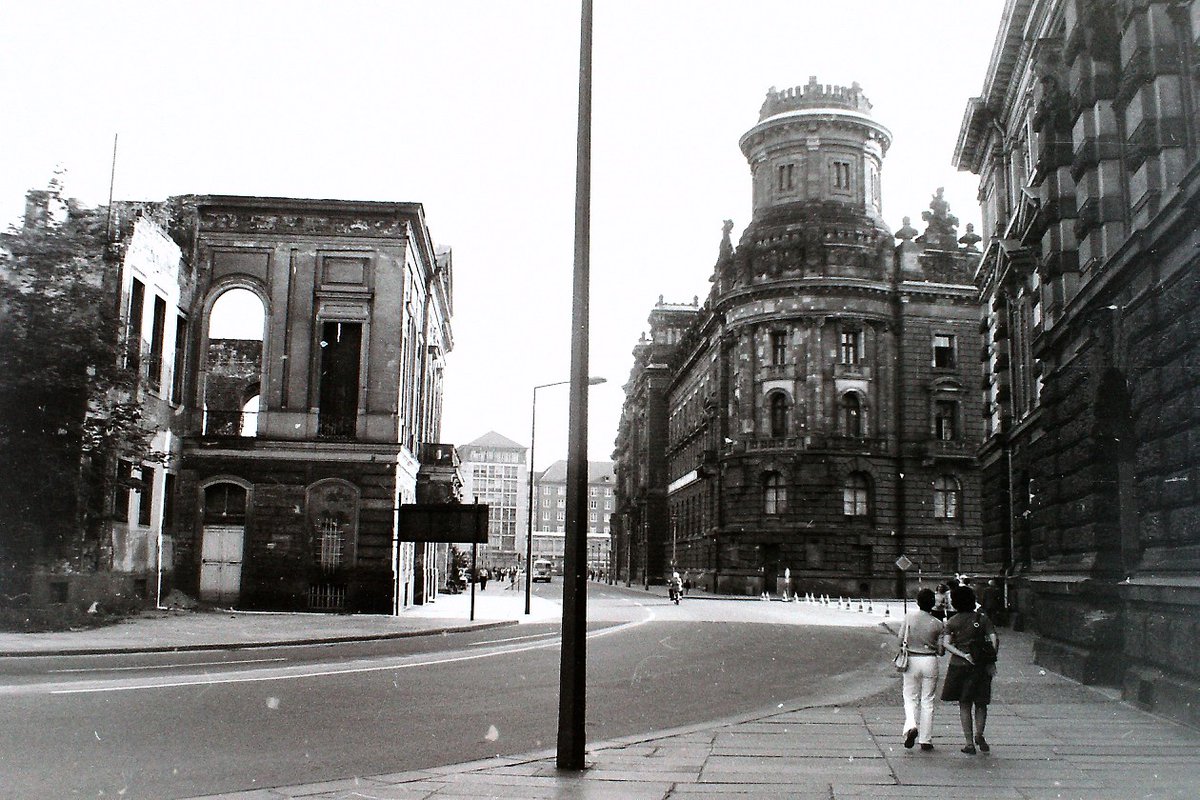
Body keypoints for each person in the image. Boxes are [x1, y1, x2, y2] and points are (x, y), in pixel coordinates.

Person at [941, 584, 999, 754]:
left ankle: (969, 743)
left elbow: (946, 644)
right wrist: (990, 658)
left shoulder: (952, 621)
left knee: (964, 704)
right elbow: (994, 639)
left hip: (959, 666)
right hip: (981, 666)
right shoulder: (983, 619)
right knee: (981, 703)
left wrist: (963, 654)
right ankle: (980, 734)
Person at [899, 588, 945, 752]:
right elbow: (941, 651)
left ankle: (911, 725)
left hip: (911, 660)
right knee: (928, 700)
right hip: (930, 661)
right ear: (932, 604)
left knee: (910, 697)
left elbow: (900, 639)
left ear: (918, 602)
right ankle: (926, 740)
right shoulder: (938, 624)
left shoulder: (909, 617)